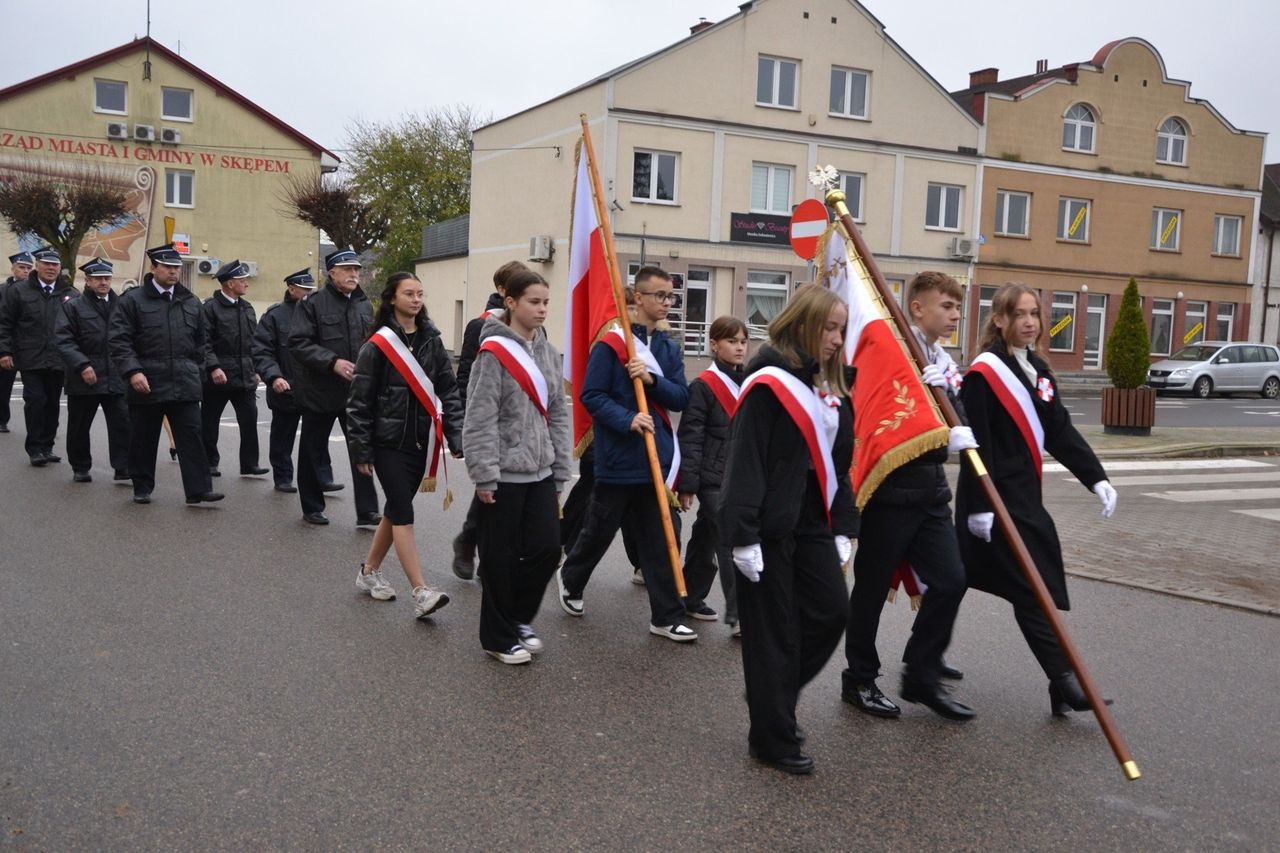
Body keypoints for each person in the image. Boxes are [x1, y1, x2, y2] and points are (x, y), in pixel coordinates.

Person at [955, 282, 1118, 715]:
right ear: (1000, 320)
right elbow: (977, 447)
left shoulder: (1039, 371)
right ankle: (1063, 680)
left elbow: (1059, 430)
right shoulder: (984, 374)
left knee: (962, 583)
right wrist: (978, 507)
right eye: (1020, 314)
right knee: (1027, 588)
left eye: (1034, 314)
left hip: (1025, 497)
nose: (1030, 322)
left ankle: (923, 661)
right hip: (994, 501)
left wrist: (1095, 478)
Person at [719, 284, 858, 775]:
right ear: (804, 322)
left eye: (843, 328)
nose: (838, 338)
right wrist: (742, 535)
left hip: (814, 520)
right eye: (830, 328)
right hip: (768, 526)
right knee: (771, 633)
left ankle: (770, 694)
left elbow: (841, 464)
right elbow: (746, 462)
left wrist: (843, 521)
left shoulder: (832, 383)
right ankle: (771, 736)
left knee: (830, 612)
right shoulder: (768, 382)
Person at [841, 271, 977, 723]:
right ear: (916, 308)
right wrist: (943, 440)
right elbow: (885, 421)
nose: (955, 314)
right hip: (891, 494)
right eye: (946, 306)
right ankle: (859, 678)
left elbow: (960, 418)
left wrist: (951, 394)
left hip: (932, 494)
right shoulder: (893, 352)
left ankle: (920, 672)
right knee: (872, 591)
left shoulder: (941, 358)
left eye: (957, 307)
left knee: (953, 579)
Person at [555, 266, 692, 642]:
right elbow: (591, 396)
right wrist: (628, 418)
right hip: (618, 457)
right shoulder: (611, 344)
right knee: (599, 530)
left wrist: (653, 381)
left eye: (671, 296)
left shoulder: (667, 347)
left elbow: (681, 396)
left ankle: (666, 615)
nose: (667, 303)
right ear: (638, 298)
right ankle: (571, 578)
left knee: (660, 538)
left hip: (655, 460)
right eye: (660, 296)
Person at [463, 268, 572, 664]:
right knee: (499, 558)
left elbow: (558, 412)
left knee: (546, 548)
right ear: (510, 303)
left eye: (546, 302)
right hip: (504, 473)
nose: (542, 310)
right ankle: (497, 637)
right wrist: (484, 474)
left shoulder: (547, 349)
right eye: (534, 302)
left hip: (542, 470)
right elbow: (480, 417)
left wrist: (561, 466)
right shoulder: (493, 353)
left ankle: (518, 619)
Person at [346, 272, 460, 620]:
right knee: (403, 512)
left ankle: (368, 573)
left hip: (418, 440)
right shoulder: (377, 345)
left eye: (420, 293)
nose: (416, 299)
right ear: (392, 299)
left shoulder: (432, 341)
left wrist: (456, 435)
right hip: (386, 443)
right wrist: (361, 451)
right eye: (408, 293)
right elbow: (359, 403)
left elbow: (449, 390)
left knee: (395, 510)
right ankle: (421, 591)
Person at [108, 243, 222, 505]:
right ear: (154, 268)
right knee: (143, 437)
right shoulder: (133, 301)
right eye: (168, 267)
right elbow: (119, 341)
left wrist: (196, 368)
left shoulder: (191, 302)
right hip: (146, 380)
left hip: (184, 380)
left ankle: (198, 490)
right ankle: (142, 486)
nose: (174, 272)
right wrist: (133, 371)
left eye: (177, 268)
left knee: (192, 436)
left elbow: (201, 343)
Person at [288, 247, 380, 527]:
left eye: (356, 270)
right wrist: (332, 362)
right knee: (312, 450)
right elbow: (298, 343)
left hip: (356, 392)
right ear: (332, 273)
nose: (354, 274)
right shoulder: (312, 303)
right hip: (320, 390)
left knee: (361, 449)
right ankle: (312, 506)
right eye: (348, 270)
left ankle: (367, 509)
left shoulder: (364, 304)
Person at [450, 259, 529, 579]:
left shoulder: (533, 324)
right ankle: (477, 547)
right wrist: (462, 426)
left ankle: (471, 541)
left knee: (505, 490)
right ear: (502, 291)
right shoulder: (480, 326)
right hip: (488, 421)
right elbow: (466, 375)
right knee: (496, 487)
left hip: (521, 421)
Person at [676, 316, 748, 635]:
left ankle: (690, 595)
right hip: (711, 477)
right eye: (732, 341)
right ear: (714, 344)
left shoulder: (749, 381)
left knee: (707, 533)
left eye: (743, 341)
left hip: (739, 476)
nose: (739, 347)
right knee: (729, 539)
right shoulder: (703, 386)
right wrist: (688, 484)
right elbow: (691, 437)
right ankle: (739, 613)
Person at [252, 268, 335, 493]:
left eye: (311, 290)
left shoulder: (319, 312)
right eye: (305, 290)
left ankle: (323, 478)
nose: (309, 294)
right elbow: (261, 351)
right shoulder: (275, 315)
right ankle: (283, 477)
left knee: (317, 439)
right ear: (291, 289)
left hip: (314, 389)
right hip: (285, 386)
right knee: (283, 436)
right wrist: (274, 376)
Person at [54, 258, 131, 482]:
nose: (103, 282)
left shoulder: (123, 306)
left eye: (107, 278)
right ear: (87, 281)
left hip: (116, 375)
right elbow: (63, 340)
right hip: (84, 377)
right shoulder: (73, 306)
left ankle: (123, 466)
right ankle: (80, 466)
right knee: (79, 425)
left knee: (122, 423)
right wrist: (82, 365)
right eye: (98, 278)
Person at [0, 246, 76, 464]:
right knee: (35, 400)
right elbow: (5, 323)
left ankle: (47, 446)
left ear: (60, 267)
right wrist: (4, 351)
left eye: (55, 264)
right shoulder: (19, 291)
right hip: (30, 357)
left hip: (59, 358)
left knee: (52, 403)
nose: (51, 268)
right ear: (38, 265)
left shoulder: (69, 293)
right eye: (46, 263)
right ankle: (34, 448)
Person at [201, 260, 269, 479]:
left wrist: (257, 367)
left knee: (249, 421)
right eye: (242, 280)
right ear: (230, 284)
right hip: (218, 376)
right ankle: (209, 462)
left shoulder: (246, 307)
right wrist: (213, 367)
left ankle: (249, 464)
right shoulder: (210, 308)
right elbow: (204, 342)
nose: (246, 284)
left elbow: (255, 341)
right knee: (209, 423)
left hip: (245, 375)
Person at [0, 250, 35, 433]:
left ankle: (38, 427)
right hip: (8, 345)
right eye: (22, 267)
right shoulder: (2, 290)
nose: (26, 271)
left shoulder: (34, 291)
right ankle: (1, 419)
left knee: (35, 390)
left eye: (29, 268)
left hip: (29, 346)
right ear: (13, 269)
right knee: (3, 385)